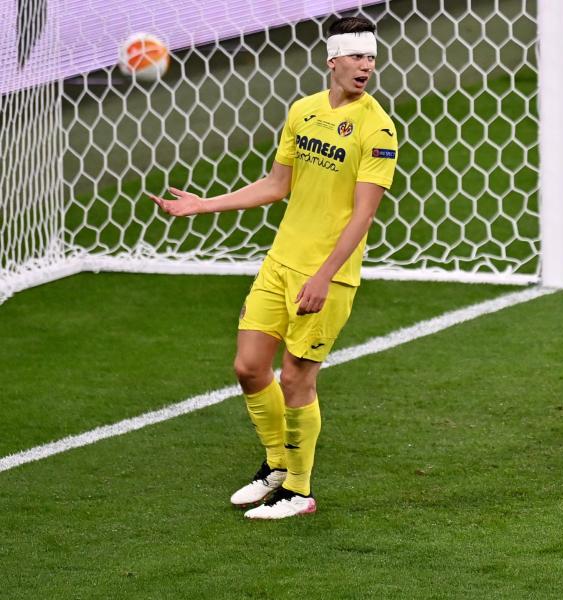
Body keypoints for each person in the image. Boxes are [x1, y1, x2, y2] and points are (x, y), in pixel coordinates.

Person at [149, 16, 398, 520]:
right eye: (356, 57)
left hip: (328, 272)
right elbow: (275, 185)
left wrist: (325, 275)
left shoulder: (378, 128)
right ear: (333, 60)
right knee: (248, 366)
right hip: (280, 261)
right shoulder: (303, 112)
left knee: (296, 377)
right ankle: (276, 466)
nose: (366, 66)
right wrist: (202, 205)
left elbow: (363, 214)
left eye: (371, 58)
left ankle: (299, 491)